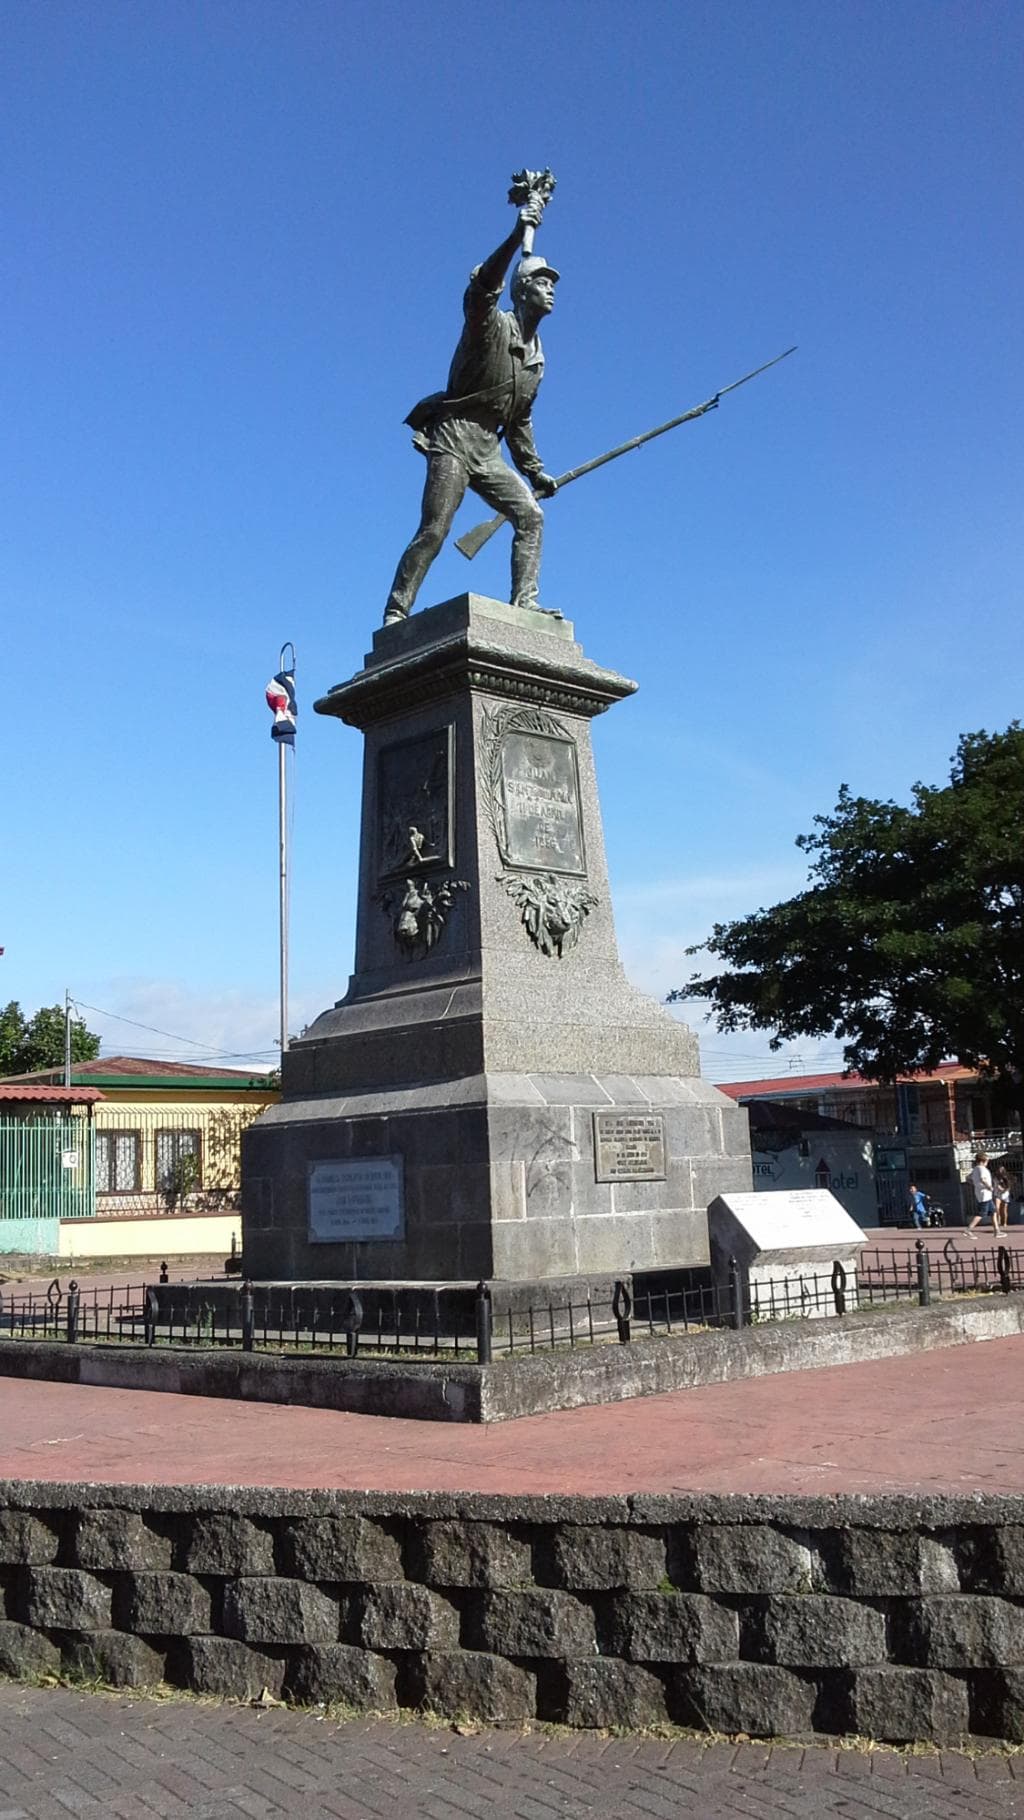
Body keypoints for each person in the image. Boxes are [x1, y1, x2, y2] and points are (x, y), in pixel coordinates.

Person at [383, 197, 559, 625]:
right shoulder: (490, 326)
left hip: (488, 450)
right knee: (436, 528)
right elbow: (482, 289)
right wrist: (517, 237)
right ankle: (397, 608)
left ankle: (525, 604)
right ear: (522, 290)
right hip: (454, 438)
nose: (551, 288)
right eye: (542, 282)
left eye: (553, 283)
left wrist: (535, 472)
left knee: (530, 516)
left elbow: (518, 421)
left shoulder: (538, 360)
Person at [967, 1151, 994, 1235]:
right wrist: (989, 1186)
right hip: (984, 1194)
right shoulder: (981, 1168)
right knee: (982, 1213)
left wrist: (975, 1184)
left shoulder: (975, 1169)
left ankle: (997, 1230)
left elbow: (968, 1178)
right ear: (983, 1161)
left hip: (984, 1194)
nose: (987, 1163)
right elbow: (983, 1179)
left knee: (993, 1211)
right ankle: (968, 1229)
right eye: (987, 1161)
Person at [993, 1164, 1012, 1233]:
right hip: (997, 1194)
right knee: (997, 1208)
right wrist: (999, 1188)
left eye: (1001, 1170)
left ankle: (1004, 1223)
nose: (1000, 1171)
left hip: (1005, 1195)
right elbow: (996, 1185)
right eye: (998, 1170)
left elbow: (1009, 1186)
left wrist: (1004, 1190)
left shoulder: (1006, 1177)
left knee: (1004, 1209)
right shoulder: (995, 1178)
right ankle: (998, 1222)